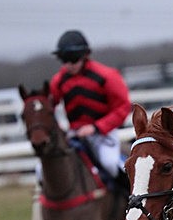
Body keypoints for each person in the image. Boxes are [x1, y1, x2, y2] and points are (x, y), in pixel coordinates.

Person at [50, 30, 132, 181]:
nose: (69, 65)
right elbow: (48, 107)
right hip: (74, 135)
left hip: (103, 134)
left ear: (84, 56)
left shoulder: (107, 76)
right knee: (43, 169)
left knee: (110, 163)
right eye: (64, 60)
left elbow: (123, 107)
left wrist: (96, 127)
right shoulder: (58, 81)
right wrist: (58, 129)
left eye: (73, 59)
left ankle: (130, 193)